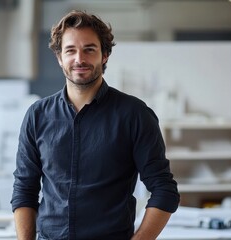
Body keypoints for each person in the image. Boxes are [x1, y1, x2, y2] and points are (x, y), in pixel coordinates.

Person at [11, 10, 180, 240]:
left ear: (105, 55)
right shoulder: (37, 115)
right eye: (70, 50)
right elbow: (24, 189)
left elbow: (164, 190)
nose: (79, 59)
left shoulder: (135, 114)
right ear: (59, 57)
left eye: (89, 49)